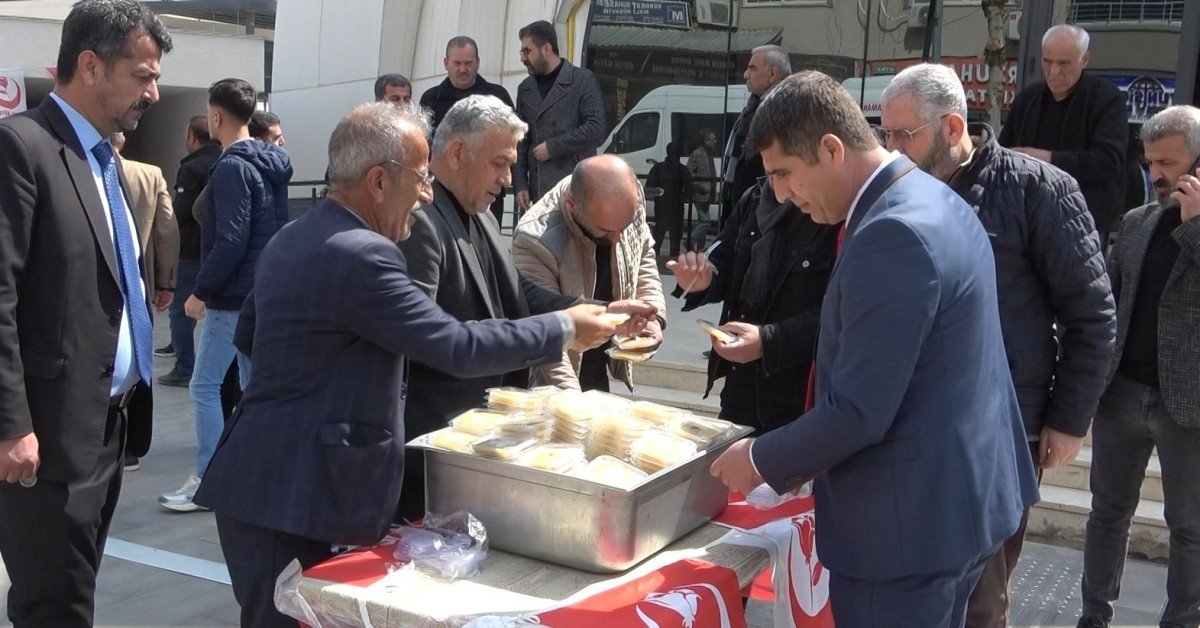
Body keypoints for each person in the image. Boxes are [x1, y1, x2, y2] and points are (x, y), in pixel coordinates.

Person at [192, 102, 623, 627]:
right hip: (291, 496)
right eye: (419, 179)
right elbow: (452, 345)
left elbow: (253, 337)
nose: (425, 194)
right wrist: (566, 329)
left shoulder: (300, 233)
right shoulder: (361, 253)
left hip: (276, 485)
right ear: (377, 181)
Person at [710, 71, 1039, 626]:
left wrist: (762, 459)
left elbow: (861, 410)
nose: (782, 195)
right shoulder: (930, 194)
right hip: (958, 501)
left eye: (784, 174)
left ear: (831, 149)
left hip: (906, 531)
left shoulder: (895, 232)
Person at [879, 63, 1117, 627]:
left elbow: (1092, 315)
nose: (890, 148)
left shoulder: (1040, 191)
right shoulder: (897, 192)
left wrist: (1067, 420)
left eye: (902, 135)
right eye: (883, 134)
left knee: (980, 596)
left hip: (1004, 428)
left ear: (953, 126)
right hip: (913, 426)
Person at [397, 95, 654, 520]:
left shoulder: (477, 212)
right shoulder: (420, 222)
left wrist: (593, 310)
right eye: (499, 163)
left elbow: (518, 298)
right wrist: (563, 328)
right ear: (458, 153)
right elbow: (429, 341)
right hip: (433, 450)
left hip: (474, 444)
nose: (508, 177)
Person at [0, 1, 171, 624]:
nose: (153, 92)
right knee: (53, 607)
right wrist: (10, 424)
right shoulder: (22, 147)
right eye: (142, 75)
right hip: (45, 437)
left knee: (75, 595)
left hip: (108, 424)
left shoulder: (107, 164)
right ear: (91, 65)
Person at [1078, 105, 1200, 628]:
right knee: (1107, 514)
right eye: (1150, 162)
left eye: (1168, 163)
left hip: (1187, 403)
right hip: (1122, 393)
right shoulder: (1136, 222)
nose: (1156, 176)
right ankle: (1093, 616)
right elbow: (1107, 302)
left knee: (1189, 527)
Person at [160, 78, 292, 513]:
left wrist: (201, 291)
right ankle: (257, 476)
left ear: (216, 115)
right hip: (261, 292)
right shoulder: (268, 162)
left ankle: (210, 478)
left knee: (204, 385)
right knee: (254, 389)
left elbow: (231, 239)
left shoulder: (233, 166)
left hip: (233, 297)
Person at [667, 176, 838, 435]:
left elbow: (837, 316)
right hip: (740, 385)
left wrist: (766, 341)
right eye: (770, 172)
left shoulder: (835, 211)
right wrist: (702, 280)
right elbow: (723, 256)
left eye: (784, 171)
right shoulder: (756, 197)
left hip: (798, 398)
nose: (778, 188)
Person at [513, 155, 667, 392]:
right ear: (574, 205)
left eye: (623, 228)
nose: (617, 239)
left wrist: (652, 317)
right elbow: (545, 329)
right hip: (560, 368)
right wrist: (574, 404)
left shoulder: (627, 199)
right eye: (605, 230)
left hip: (599, 356)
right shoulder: (534, 240)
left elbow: (643, 256)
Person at [999, 24, 1128, 244]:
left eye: (1064, 63)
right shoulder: (1028, 99)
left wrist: (1044, 159)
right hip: (1027, 218)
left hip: (1083, 221)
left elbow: (1109, 161)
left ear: (1084, 60)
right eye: (1047, 61)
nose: (1054, 71)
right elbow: (1002, 152)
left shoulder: (1106, 100)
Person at [419, 35, 515, 228]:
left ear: (478, 63)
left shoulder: (497, 96)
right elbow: (422, 146)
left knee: (488, 240)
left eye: (468, 63)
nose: (463, 69)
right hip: (443, 190)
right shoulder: (430, 99)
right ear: (446, 63)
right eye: (457, 63)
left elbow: (513, 143)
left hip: (488, 189)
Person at [513, 20, 605, 211]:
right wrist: (520, 183)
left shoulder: (582, 80)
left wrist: (553, 147)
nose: (522, 58)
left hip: (575, 191)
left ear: (547, 48)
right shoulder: (525, 89)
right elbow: (521, 140)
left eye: (527, 51)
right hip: (538, 194)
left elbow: (596, 128)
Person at [159, 116, 221, 388]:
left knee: (180, 310)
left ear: (194, 137)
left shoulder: (191, 168)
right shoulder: (224, 161)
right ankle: (180, 347)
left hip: (190, 249)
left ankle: (185, 366)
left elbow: (182, 211)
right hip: (215, 248)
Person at [721, 45, 789, 226]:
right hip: (744, 202)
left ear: (772, 74)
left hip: (762, 210)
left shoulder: (781, 110)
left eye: (752, 68)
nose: (745, 74)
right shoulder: (754, 108)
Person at [646, 141, 694, 258]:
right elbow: (690, 190)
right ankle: (672, 261)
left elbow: (649, 187)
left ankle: (653, 260)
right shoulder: (682, 170)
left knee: (658, 238)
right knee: (674, 241)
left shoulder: (658, 168)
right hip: (676, 207)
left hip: (662, 207)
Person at [687, 128, 718, 250]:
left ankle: (700, 248)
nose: (715, 142)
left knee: (702, 221)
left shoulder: (708, 154)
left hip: (707, 193)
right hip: (700, 193)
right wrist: (699, 184)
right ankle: (690, 241)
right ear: (705, 140)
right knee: (705, 221)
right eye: (712, 139)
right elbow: (689, 171)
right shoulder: (697, 154)